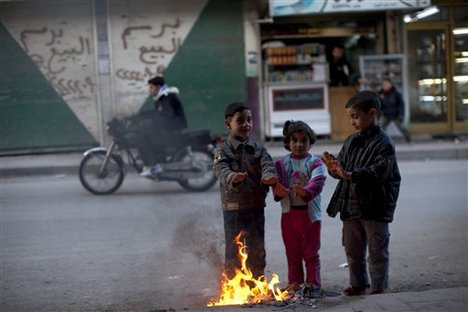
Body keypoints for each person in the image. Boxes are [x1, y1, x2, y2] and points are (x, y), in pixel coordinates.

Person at [323, 90, 401, 296]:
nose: (351, 122)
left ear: (372, 113)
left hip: (374, 206)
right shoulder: (351, 140)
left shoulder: (384, 143)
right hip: (351, 205)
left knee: (377, 250)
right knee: (352, 249)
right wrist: (335, 168)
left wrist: (349, 174)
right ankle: (358, 284)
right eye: (350, 117)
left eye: (355, 116)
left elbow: (379, 172)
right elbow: (343, 169)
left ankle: (378, 288)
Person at [213, 102, 278, 279]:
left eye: (249, 120)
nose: (246, 125)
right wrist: (233, 178)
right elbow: (221, 170)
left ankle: (257, 281)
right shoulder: (222, 150)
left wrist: (268, 177)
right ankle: (234, 284)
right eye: (240, 121)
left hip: (256, 207)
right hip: (233, 209)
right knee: (234, 249)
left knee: (257, 247)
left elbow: (267, 165)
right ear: (228, 124)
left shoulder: (258, 148)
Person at [272, 120, 326, 299]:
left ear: (310, 141)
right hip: (289, 216)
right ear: (288, 142)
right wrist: (277, 190)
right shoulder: (281, 164)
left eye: (304, 140)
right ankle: (295, 287)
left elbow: (318, 182)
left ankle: (313, 287)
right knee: (293, 255)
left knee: (311, 254)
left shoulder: (315, 163)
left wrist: (306, 191)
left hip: (310, 217)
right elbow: (277, 185)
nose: (299, 144)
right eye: (294, 140)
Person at [137, 76, 187, 177]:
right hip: (171, 126)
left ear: (158, 87)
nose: (149, 90)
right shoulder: (161, 97)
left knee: (144, 138)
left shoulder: (166, 97)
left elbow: (166, 116)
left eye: (151, 87)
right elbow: (157, 113)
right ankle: (156, 161)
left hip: (174, 127)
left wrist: (150, 122)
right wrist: (140, 116)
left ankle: (155, 166)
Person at [378, 77, 411, 143]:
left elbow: (401, 105)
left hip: (395, 114)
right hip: (386, 114)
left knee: (402, 128)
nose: (385, 86)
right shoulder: (380, 94)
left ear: (390, 85)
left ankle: (408, 139)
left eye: (387, 84)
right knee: (380, 127)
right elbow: (379, 105)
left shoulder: (396, 93)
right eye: (384, 84)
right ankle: (382, 141)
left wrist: (401, 115)